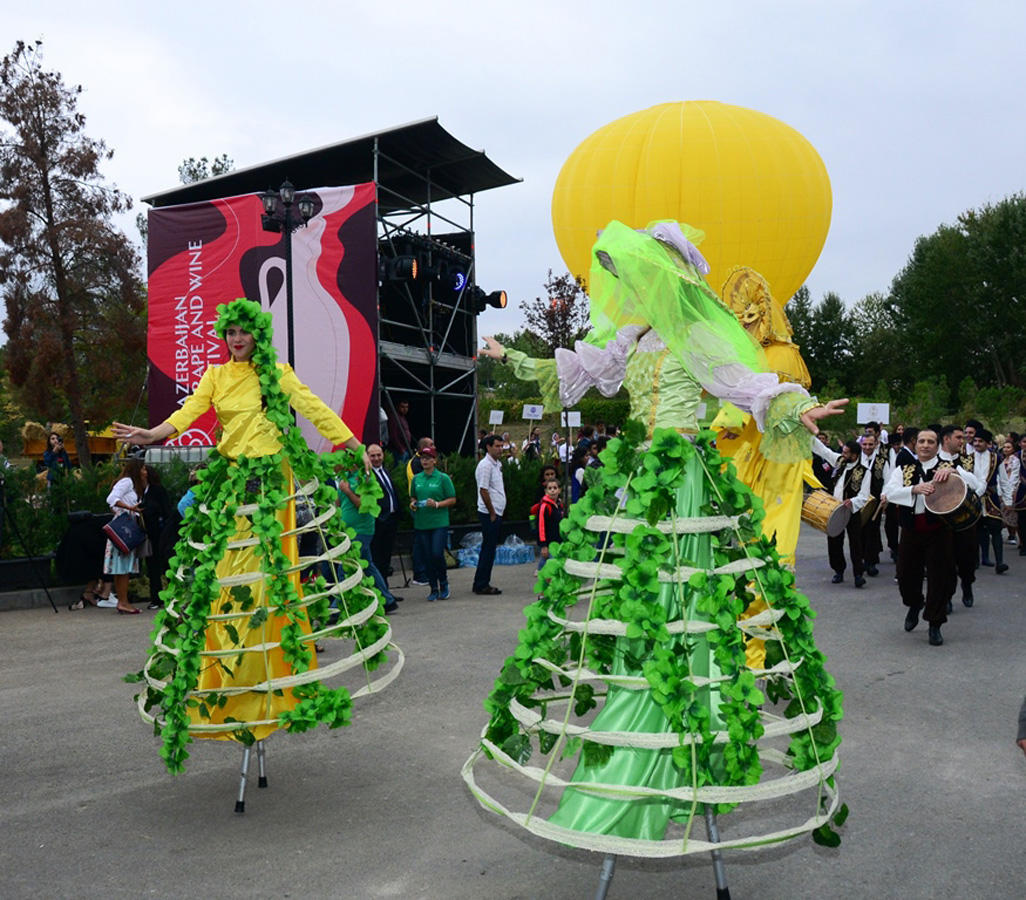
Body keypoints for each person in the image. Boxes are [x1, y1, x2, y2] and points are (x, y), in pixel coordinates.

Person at [467, 219, 847, 856]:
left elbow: (743, 384)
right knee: (639, 597)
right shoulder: (631, 338)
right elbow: (579, 375)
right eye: (624, 275)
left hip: (684, 477)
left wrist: (790, 406)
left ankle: (685, 721)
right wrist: (510, 357)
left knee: (686, 600)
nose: (627, 285)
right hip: (640, 478)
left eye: (638, 272)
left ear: (667, 274)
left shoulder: (694, 331)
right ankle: (645, 697)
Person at [112, 297, 399, 774]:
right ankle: (232, 675)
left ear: (257, 336)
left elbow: (314, 409)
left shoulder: (278, 374)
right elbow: (187, 416)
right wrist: (152, 434)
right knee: (225, 581)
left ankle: (273, 678)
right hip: (231, 487)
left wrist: (353, 446)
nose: (236, 340)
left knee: (268, 580)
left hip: (271, 488)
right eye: (230, 334)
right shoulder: (216, 376)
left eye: (244, 332)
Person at [882, 428, 954, 646]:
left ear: (937, 445)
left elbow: (971, 486)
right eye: (921, 441)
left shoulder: (948, 468)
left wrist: (954, 475)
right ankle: (914, 603)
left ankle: (935, 624)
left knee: (938, 578)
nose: (925, 445)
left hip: (939, 531)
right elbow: (888, 493)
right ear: (915, 444)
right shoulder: (903, 469)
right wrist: (914, 489)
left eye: (930, 441)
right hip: (911, 530)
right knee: (904, 576)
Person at [338, 466, 399, 614]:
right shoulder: (344, 477)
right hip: (348, 528)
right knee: (368, 565)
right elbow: (340, 502)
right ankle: (388, 600)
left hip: (362, 529)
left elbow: (362, 504)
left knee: (345, 565)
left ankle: (339, 606)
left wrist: (348, 491)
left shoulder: (366, 478)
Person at [811, 437, 872, 587]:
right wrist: (809, 436)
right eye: (843, 452)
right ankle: (838, 570)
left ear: (854, 455)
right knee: (834, 540)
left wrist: (853, 502)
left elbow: (864, 496)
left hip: (851, 511)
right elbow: (824, 451)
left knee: (855, 543)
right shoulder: (839, 462)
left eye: (846, 453)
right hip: (834, 509)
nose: (842, 454)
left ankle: (858, 574)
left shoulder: (864, 471)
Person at [936, 424, 986, 607]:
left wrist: (958, 473)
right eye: (958, 437)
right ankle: (947, 596)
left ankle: (967, 584)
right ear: (946, 439)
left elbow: (980, 486)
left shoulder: (969, 461)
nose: (962, 441)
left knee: (967, 556)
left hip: (966, 519)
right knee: (945, 559)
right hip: (942, 519)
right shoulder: (933, 462)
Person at [408, 447, 454, 601]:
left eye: (428, 458)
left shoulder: (442, 478)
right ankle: (433, 588)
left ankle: (444, 582)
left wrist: (437, 504)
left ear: (434, 460)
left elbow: (452, 499)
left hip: (439, 522)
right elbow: (413, 497)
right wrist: (413, 503)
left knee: (436, 553)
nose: (425, 461)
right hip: (422, 523)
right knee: (427, 557)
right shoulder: (417, 479)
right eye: (422, 458)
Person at [103, 458, 146, 615]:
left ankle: (123, 601)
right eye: (142, 468)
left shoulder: (133, 485)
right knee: (123, 568)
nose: (144, 471)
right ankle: (123, 601)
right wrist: (129, 508)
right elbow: (111, 499)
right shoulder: (127, 481)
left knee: (121, 568)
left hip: (125, 525)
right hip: (124, 528)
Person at [473, 434, 506, 595]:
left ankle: (482, 580)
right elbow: (483, 490)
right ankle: (481, 583)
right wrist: (492, 512)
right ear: (488, 447)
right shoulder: (485, 465)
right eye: (497, 446)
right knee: (488, 548)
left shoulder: (496, 464)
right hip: (489, 513)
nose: (500, 449)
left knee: (490, 548)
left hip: (497, 511)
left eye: (502, 446)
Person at [140, 464, 173, 610]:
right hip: (150, 533)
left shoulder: (157, 490)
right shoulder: (142, 492)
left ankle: (172, 595)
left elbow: (166, 510)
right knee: (152, 566)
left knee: (165, 565)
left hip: (160, 533)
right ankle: (156, 597)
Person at [367, 443, 401, 581]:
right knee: (378, 557)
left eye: (379, 455)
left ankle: (386, 590)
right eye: (372, 456)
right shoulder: (368, 475)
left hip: (391, 519)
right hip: (379, 520)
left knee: (386, 557)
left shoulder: (385, 471)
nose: (376, 458)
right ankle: (381, 592)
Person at [535, 478, 563, 569]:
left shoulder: (559, 505)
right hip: (548, 542)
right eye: (550, 488)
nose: (552, 490)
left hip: (557, 540)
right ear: (546, 491)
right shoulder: (544, 506)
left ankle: (540, 571)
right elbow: (541, 526)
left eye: (555, 488)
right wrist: (543, 545)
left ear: (559, 490)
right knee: (551, 564)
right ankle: (540, 572)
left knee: (550, 562)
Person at [387, 398, 413, 463]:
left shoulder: (403, 417)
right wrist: (400, 448)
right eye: (402, 407)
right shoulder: (394, 417)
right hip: (398, 450)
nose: (405, 409)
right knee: (399, 468)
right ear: (397, 407)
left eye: (406, 407)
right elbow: (393, 435)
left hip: (406, 448)